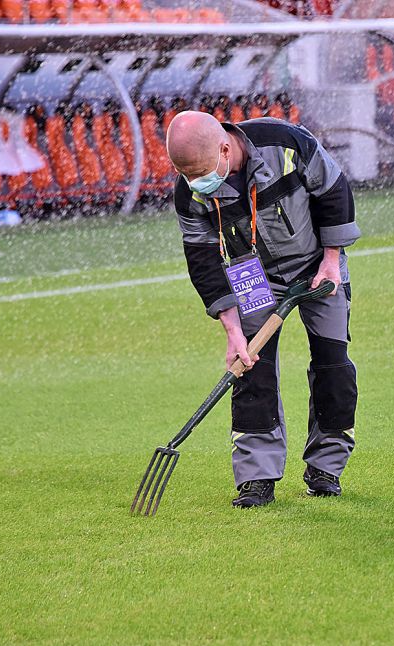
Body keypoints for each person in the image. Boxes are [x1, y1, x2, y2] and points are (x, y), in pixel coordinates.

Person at [166, 110, 360, 507]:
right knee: (251, 372)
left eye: (200, 172)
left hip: (317, 264)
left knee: (333, 364)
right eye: (185, 175)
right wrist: (233, 332)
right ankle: (256, 478)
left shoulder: (285, 142)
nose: (194, 183)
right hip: (250, 275)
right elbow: (202, 260)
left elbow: (333, 190)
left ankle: (326, 468)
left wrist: (330, 259)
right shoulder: (190, 192)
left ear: (225, 149)